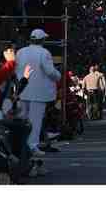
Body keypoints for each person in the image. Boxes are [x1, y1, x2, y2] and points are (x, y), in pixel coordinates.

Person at [15, 29, 61, 157]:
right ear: (42, 40)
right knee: (35, 121)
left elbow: (15, 69)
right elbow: (50, 71)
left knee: (22, 119)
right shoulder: (44, 53)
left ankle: (20, 145)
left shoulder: (20, 52)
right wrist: (58, 75)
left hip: (22, 90)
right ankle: (32, 146)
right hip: (38, 93)